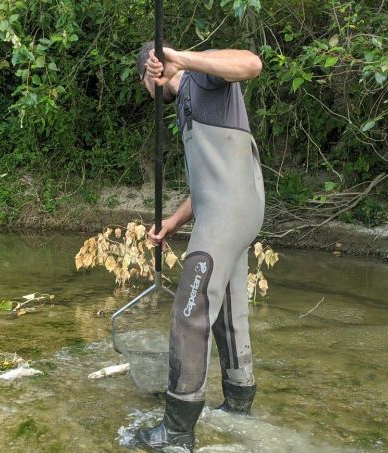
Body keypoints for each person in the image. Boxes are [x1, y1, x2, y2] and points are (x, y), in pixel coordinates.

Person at [132, 42, 265, 452]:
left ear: (152, 74)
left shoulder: (202, 79)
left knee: (189, 313)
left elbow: (251, 64)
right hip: (228, 213)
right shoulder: (186, 109)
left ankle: (176, 434)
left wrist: (181, 58)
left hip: (228, 214)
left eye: (145, 88)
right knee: (228, 311)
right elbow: (207, 182)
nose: (150, 98)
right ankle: (239, 404)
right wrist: (172, 222)